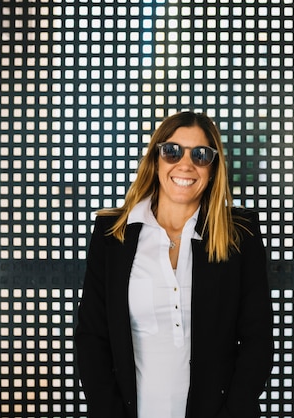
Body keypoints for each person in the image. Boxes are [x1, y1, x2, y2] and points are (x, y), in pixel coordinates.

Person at [74, 111, 274, 418]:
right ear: (155, 159)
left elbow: (257, 340)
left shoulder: (240, 234)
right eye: (172, 151)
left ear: (213, 167)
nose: (185, 164)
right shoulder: (112, 232)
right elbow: (92, 337)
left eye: (201, 154)